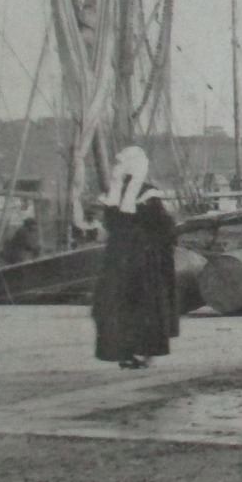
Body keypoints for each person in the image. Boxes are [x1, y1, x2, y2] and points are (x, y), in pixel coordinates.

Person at [90, 146, 178, 370]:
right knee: (142, 304)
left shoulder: (115, 193)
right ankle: (141, 352)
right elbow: (163, 225)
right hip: (141, 258)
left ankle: (125, 352)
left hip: (119, 258)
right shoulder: (147, 192)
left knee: (119, 303)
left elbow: (111, 223)